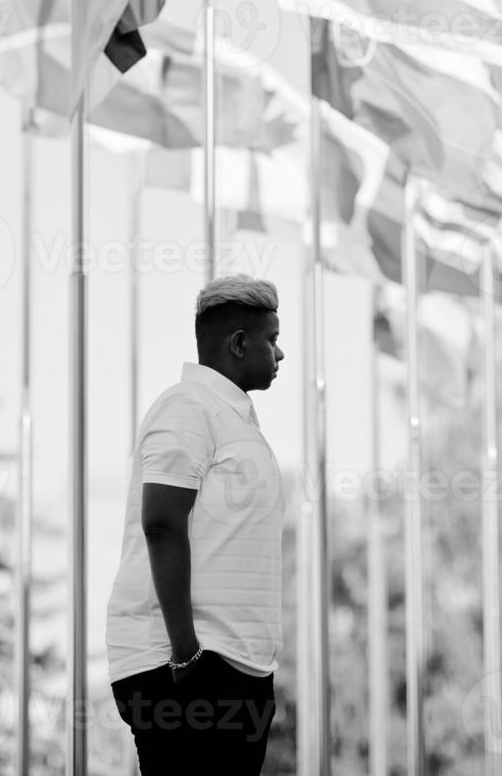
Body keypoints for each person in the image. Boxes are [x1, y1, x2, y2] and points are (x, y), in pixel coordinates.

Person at [107, 274, 287, 775]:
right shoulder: (188, 406)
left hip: (237, 669)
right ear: (237, 343)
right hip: (186, 670)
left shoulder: (234, 420)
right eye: (271, 340)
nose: (280, 353)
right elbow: (161, 524)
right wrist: (187, 655)